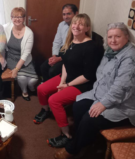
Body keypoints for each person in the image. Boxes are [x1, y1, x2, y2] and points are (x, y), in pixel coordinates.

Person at [54, 22, 135, 159]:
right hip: (102, 94)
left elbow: (121, 88)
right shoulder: (110, 52)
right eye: (110, 37)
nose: (113, 40)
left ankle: (73, 149)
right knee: (78, 106)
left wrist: (103, 104)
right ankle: (84, 141)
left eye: (117, 36)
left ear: (126, 37)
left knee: (89, 118)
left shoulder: (132, 59)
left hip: (124, 105)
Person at [34, 14, 104, 148]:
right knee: (41, 89)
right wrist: (62, 82)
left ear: (87, 28)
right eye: (74, 23)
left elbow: (88, 76)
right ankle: (45, 110)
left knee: (54, 100)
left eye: (81, 24)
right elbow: (66, 63)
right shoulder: (71, 41)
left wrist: (67, 85)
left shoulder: (91, 47)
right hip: (67, 78)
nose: (76, 26)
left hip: (82, 84)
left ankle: (67, 135)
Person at [4, 7, 38, 101]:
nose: (17, 19)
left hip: (25, 59)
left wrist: (16, 69)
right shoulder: (6, 28)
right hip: (11, 58)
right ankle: (24, 91)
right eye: (15, 16)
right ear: (11, 18)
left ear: (24, 18)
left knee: (33, 81)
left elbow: (26, 53)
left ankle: (30, 87)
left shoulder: (29, 33)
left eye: (20, 17)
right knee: (22, 77)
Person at [40, 4, 78, 82]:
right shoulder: (61, 24)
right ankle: (47, 87)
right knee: (43, 67)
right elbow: (57, 42)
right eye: (64, 14)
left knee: (52, 71)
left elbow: (76, 50)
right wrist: (54, 57)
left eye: (69, 14)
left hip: (72, 56)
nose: (66, 17)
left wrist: (59, 59)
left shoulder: (78, 27)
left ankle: (56, 89)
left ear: (76, 13)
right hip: (61, 52)